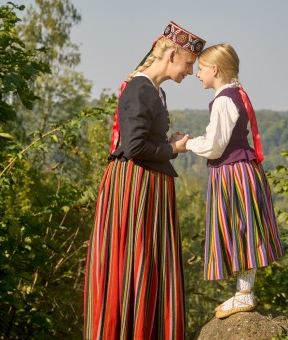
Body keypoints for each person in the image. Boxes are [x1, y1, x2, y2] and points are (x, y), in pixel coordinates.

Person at [83, 21, 205, 340]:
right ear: (171, 54)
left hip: (146, 186)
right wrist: (173, 148)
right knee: (134, 262)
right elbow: (134, 147)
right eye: (189, 64)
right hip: (135, 189)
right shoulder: (139, 88)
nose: (190, 72)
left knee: (147, 262)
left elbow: (142, 139)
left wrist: (169, 143)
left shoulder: (154, 90)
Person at [185, 43, 284, 319]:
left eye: (201, 68)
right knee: (242, 227)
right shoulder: (233, 95)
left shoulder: (225, 100)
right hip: (238, 170)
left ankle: (244, 294)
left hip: (233, 174)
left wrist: (186, 143)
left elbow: (216, 146)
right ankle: (243, 292)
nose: (197, 74)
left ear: (214, 70)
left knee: (241, 228)